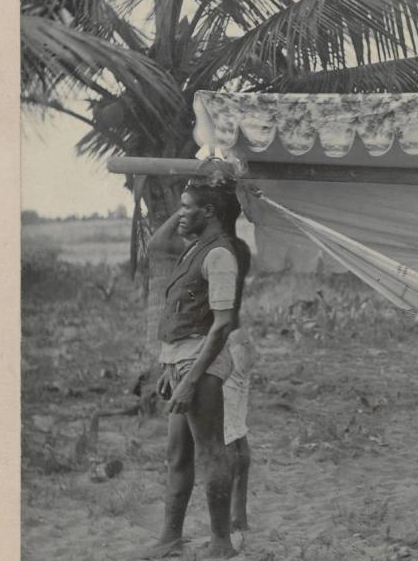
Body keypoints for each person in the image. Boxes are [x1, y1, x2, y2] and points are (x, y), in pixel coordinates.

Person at [135, 181, 246, 559]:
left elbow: (222, 325)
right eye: (179, 207)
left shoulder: (219, 256)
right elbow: (156, 246)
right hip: (182, 360)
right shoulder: (195, 248)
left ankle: (221, 545)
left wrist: (190, 381)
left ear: (211, 212)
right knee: (178, 453)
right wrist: (191, 200)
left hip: (202, 361)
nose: (180, 214)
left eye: (187, 208)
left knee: (211, 452)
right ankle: (170, 538)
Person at [220, 197, 255, 534]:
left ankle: (235, 517)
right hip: (241, 338)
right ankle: (239, 514)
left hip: (227, 340)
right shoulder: (240, 248)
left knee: (229, 434)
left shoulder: (218, 252)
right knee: (238, 430)